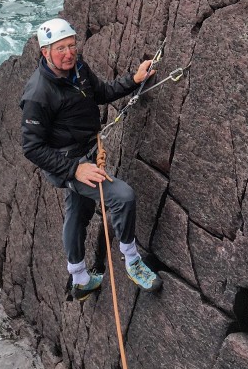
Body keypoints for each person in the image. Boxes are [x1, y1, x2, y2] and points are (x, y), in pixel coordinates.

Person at [20, 16, 163, 301]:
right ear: (45, 52)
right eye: (60, 49)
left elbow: (101, 93)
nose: (68, 53)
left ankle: (79, 276)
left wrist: (133, 81)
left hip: (84, 152)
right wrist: (75, 170)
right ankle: (132, 261)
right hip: (66, 163)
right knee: (122, 196)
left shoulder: (79, 68)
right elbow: (32, 148)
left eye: (72, 46)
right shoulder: (38, 94)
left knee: (78, 211)